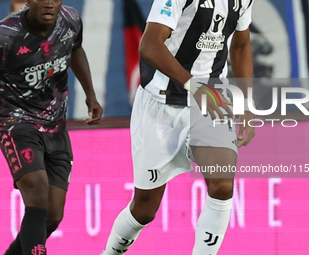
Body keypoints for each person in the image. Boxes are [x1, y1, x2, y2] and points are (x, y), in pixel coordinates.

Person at [101, 0, 255, 254]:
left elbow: (241, 46)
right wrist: (193, 86)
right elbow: (149, 45)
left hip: (211, 101)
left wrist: (248, 106)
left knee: (223, 184)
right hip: (161, 102)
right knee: (144, 209)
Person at [0, 0, 103, 254]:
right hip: (16, 122)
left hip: (55, 125)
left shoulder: (70, 20)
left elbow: (75, 49)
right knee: (36, 187)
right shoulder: (6, 35)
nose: (49, 3)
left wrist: (91, 95)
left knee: (52, 215)